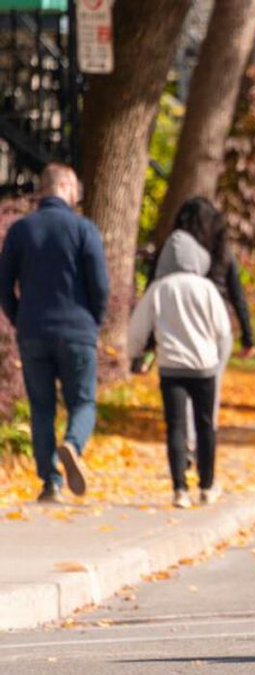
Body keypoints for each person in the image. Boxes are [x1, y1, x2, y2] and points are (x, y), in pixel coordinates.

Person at [0, 164, 109, 504]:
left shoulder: (21, 231)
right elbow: (100, 285)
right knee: (83, 401)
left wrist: (20, 319)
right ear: (65, 186)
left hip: (33, 330)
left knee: (42, 407)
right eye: (76, 188)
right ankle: (73, 444)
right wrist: (94, 321)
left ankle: (51, 483)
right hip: (77, 329)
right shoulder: (83, 229)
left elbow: (4, 285)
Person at [128, 226, 232, 509]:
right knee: (205, 425)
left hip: (171, 367)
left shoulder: (159, 288)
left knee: (175, 426)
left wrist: (134, 355)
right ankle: (207, 486)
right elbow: (223, 330)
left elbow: (137, 329)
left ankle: (179, 489)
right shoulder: (207, 288)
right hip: (204, 367)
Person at [149, 197, 255, 459]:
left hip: (180, 327)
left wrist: (149, 337)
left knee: (182, 387)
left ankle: (188, 444)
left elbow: (153, 290)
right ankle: (202, 444)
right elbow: (237, 295)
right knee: (210, 389)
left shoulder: (172, 251)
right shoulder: (222, 252)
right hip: (217, 329)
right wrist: (248, 336)